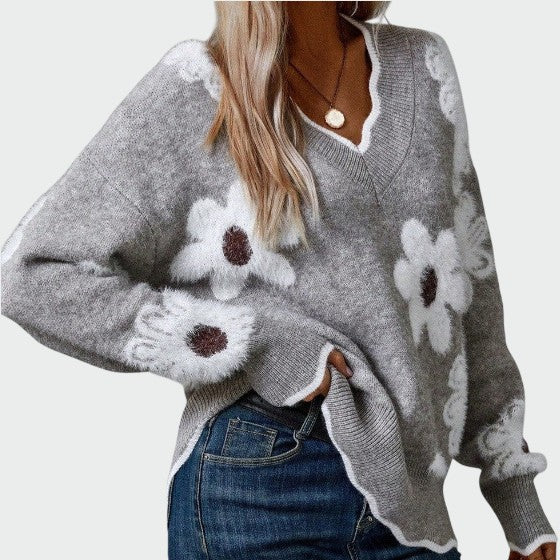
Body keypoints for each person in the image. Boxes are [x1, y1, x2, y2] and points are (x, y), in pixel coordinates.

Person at [1, 1, 556, 559]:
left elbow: (471, 287)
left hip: (414, 506)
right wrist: (256, 344)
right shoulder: (198, 88)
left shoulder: (422, 66)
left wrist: (515, 491)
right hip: (259, 485)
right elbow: (34, 274)